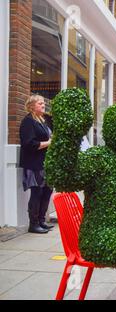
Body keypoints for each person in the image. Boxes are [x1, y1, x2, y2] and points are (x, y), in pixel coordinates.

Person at [19, 95, 54, 234]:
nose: (43, 105)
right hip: (34, 164)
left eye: (43, 103)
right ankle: (33, 225)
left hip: (45, 163)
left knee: (47, 191)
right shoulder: (28, 121)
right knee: (37, 193)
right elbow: (29, 144)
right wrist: (49, 143)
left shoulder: (42, 121)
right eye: (40, 103)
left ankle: (41, 221)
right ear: (31, 106)